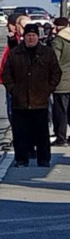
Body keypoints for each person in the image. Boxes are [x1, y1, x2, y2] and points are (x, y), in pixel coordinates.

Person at [2, 23, 62, 167]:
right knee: (20, 133)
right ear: (24, 37)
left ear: (38, 36)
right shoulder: (15, 53)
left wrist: (48, 89)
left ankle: (44, 159)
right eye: (28, 35)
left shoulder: (47, 53)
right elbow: (6, 74)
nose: (31, 38)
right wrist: (13, 90)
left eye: (33, 35)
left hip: (40, 100)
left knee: (42, 133)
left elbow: (56, 73)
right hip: (20, 100)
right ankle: (21, 159)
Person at [51, 17, 70, 146]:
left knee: (60, 111)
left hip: (61, 82)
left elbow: (54, 62)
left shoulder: (58, 41)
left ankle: (61, 138)